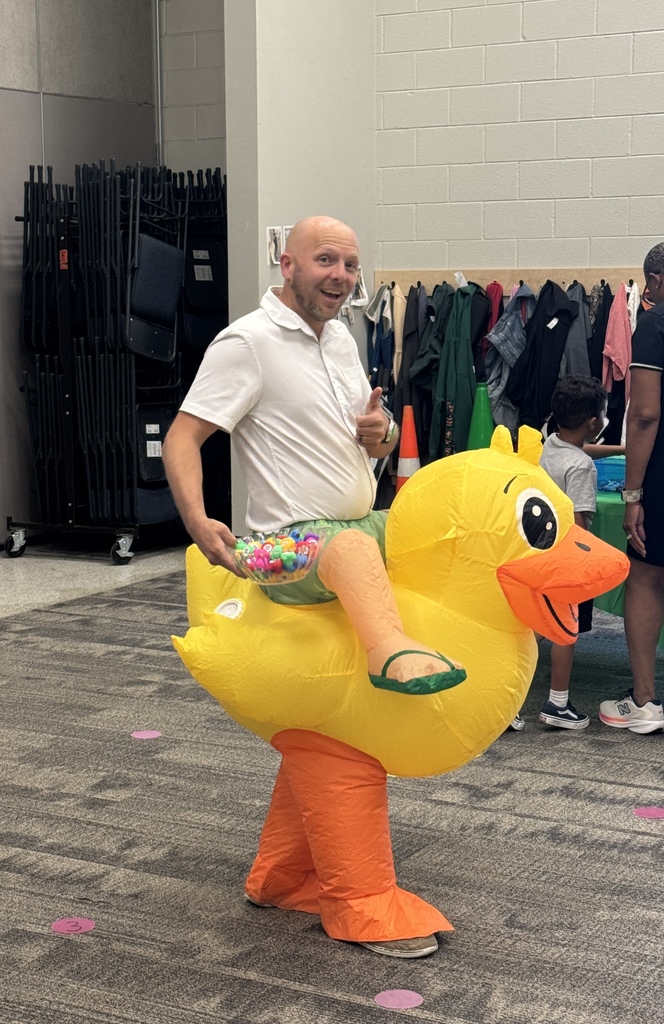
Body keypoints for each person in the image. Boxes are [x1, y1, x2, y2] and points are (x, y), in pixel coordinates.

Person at [162, 216, 459, 958]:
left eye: (353, 263)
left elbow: (369, 435)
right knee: (354, 545)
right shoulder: (247, 342)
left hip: (349, 530)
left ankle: (281, 871)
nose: (342, 275)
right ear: (287, 261)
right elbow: (184, 436)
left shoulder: (341, 341)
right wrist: (199, 522)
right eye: (327, 260)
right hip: (282, 547)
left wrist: (380, 436)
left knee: (436, 526)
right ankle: (392, 651)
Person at [508, 376, 623, 733]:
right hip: (563, 561)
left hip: (531, 554)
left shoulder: (547, 445)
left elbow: (578, 451)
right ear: (593, 423)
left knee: (530, 627)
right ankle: (557, 702)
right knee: (562, 630)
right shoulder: (581, 468)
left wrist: (621, 450)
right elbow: (579, 523)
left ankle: (506, 700)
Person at [599, 244, 664, 734]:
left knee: (644, 574)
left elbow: (643, 415)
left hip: (661, 472)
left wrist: (633, 496)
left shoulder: (656, 324)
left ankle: (644, 701)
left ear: (655, 281)